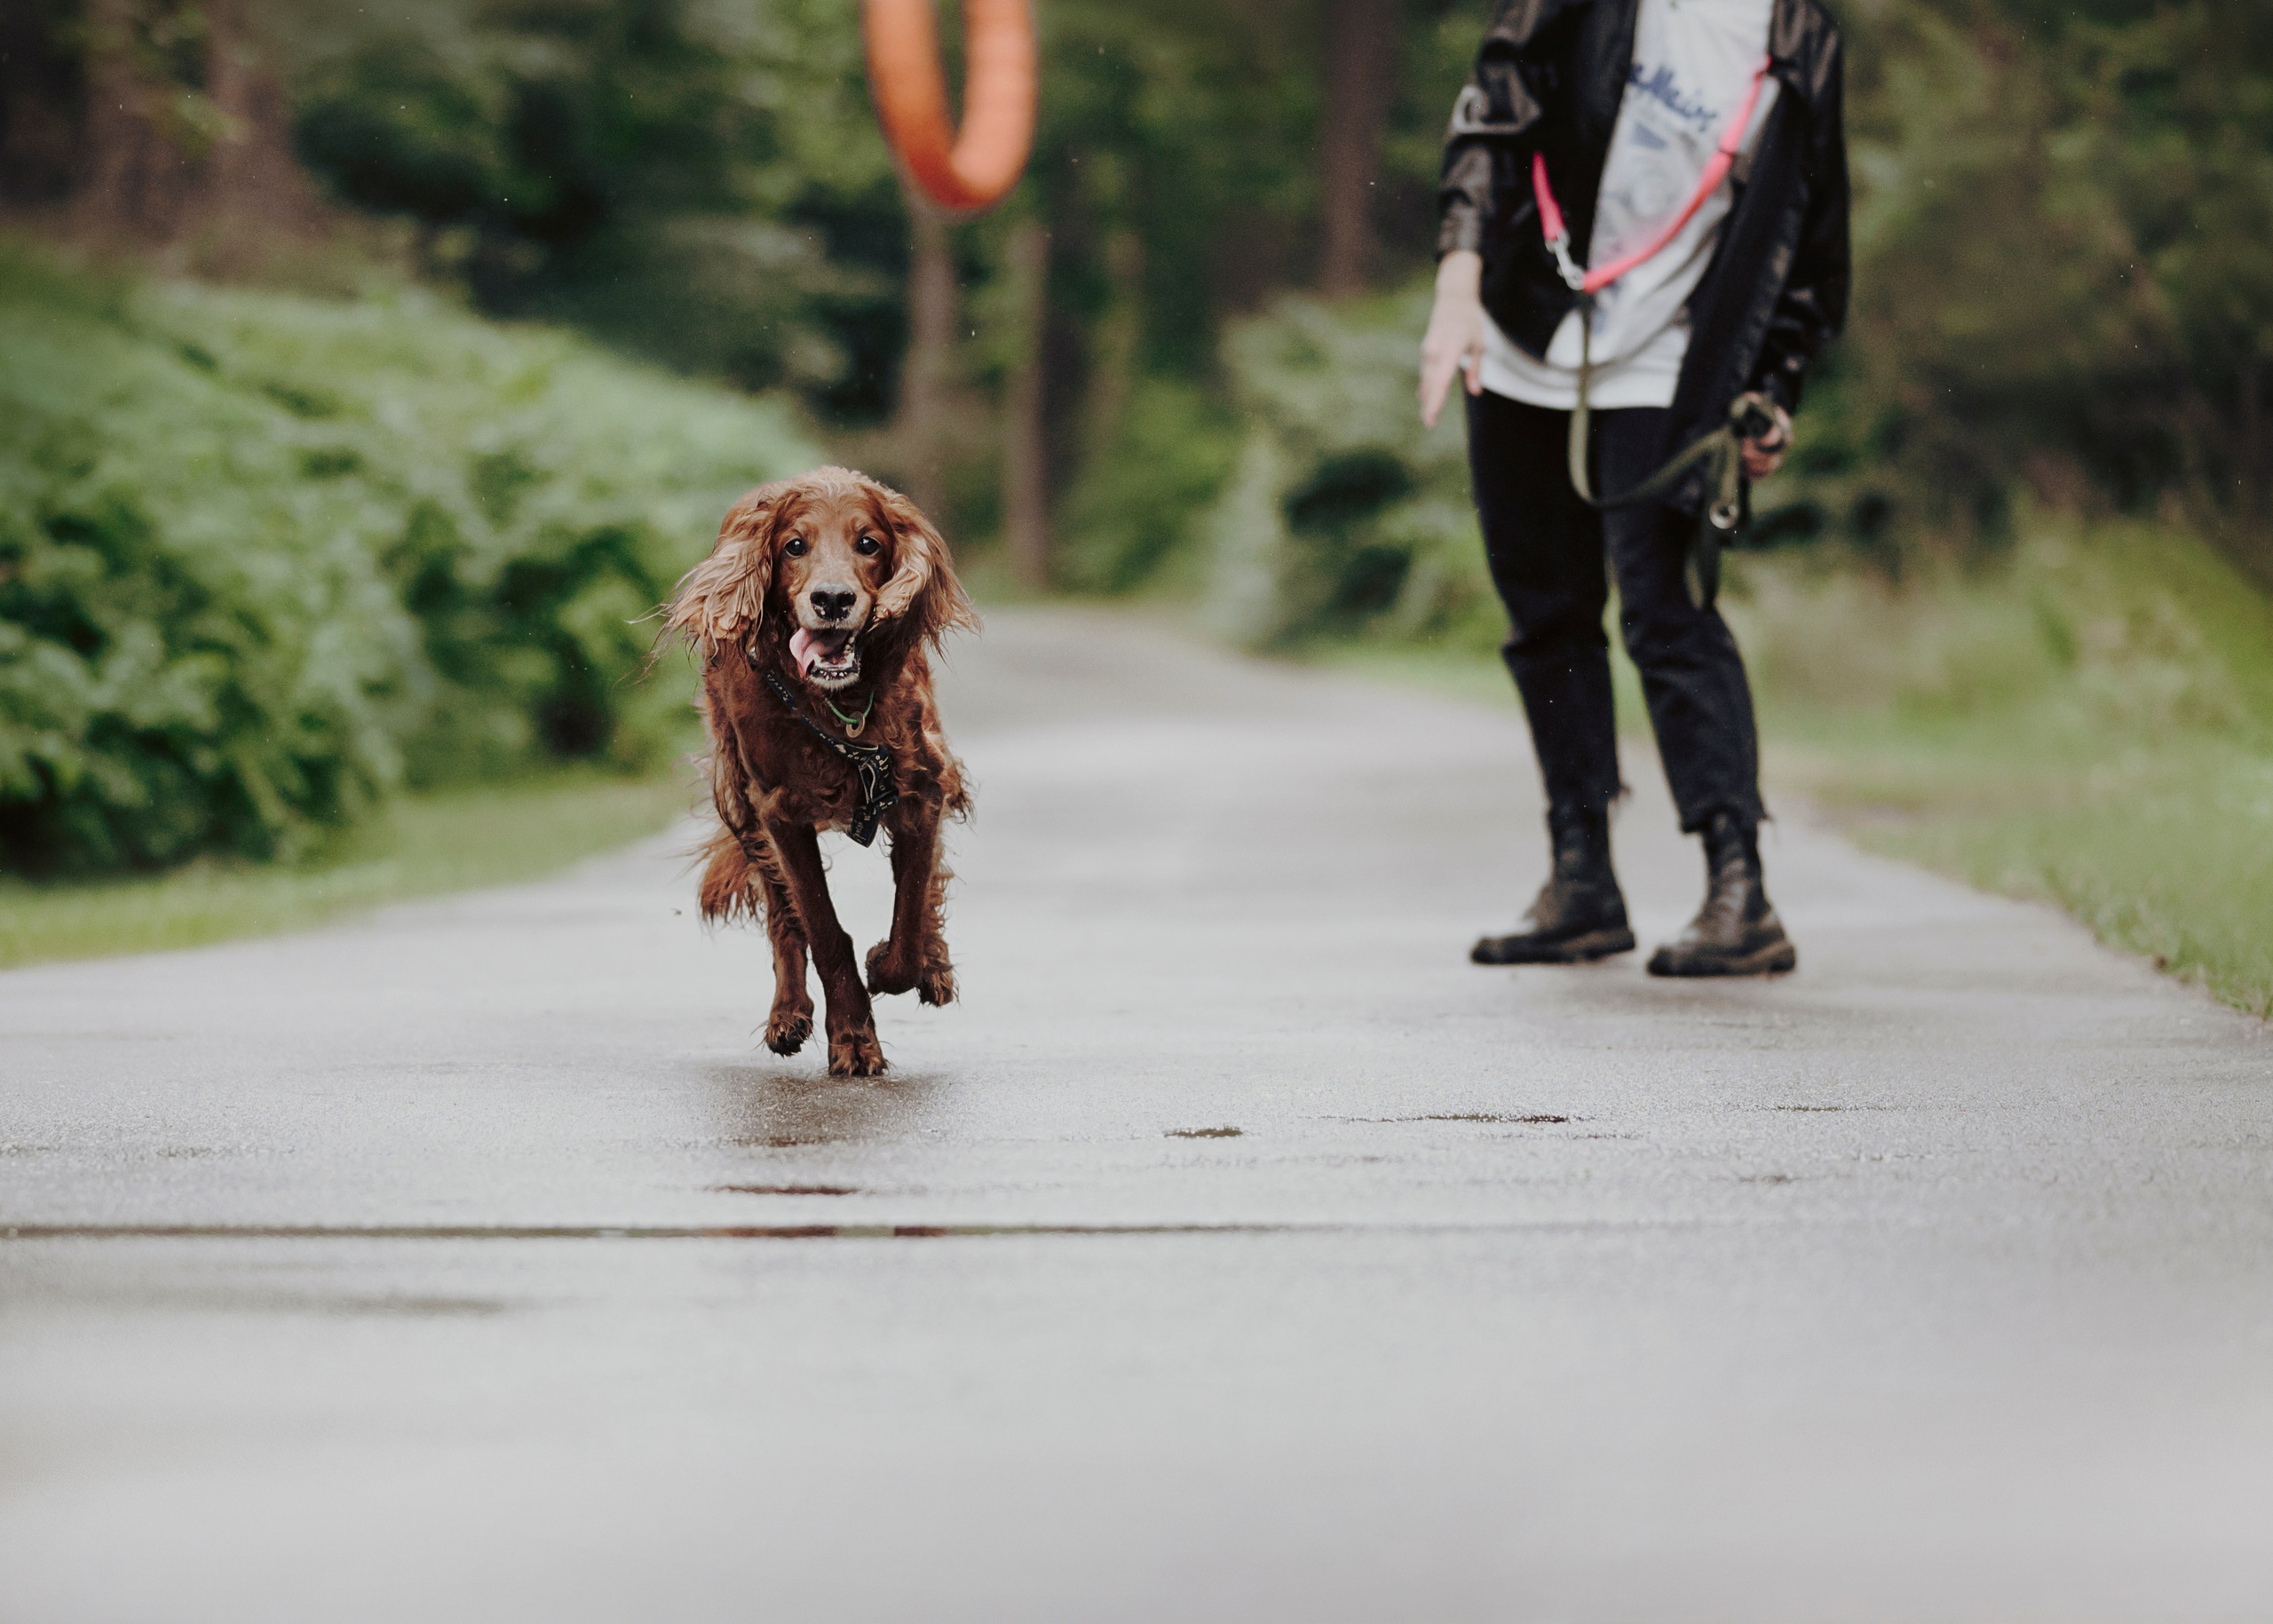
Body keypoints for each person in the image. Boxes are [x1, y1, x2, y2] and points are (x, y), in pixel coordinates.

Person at [1419, 0, 1849, 978]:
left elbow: (1814, 237)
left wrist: (1772, 389)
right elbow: (1493, 105)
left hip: (1671, 357)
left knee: (1668, 611)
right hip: (1523, 317)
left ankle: (1738, 886)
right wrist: (1457, 279)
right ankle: (1582, 880)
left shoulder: (1800, 40)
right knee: (1544, 608)